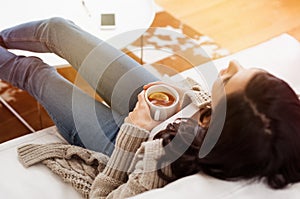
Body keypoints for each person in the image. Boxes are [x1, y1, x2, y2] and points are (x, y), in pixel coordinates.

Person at [1, 17, 300, 199]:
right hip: (169, 109)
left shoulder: (161, 167)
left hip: (124, 142)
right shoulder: (265, 123)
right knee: (58, 28)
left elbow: (103, 196)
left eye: (229, 79)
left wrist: (136, 129)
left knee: (34, 73)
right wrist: (186, 104)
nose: (232, 63)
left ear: (211, 122)